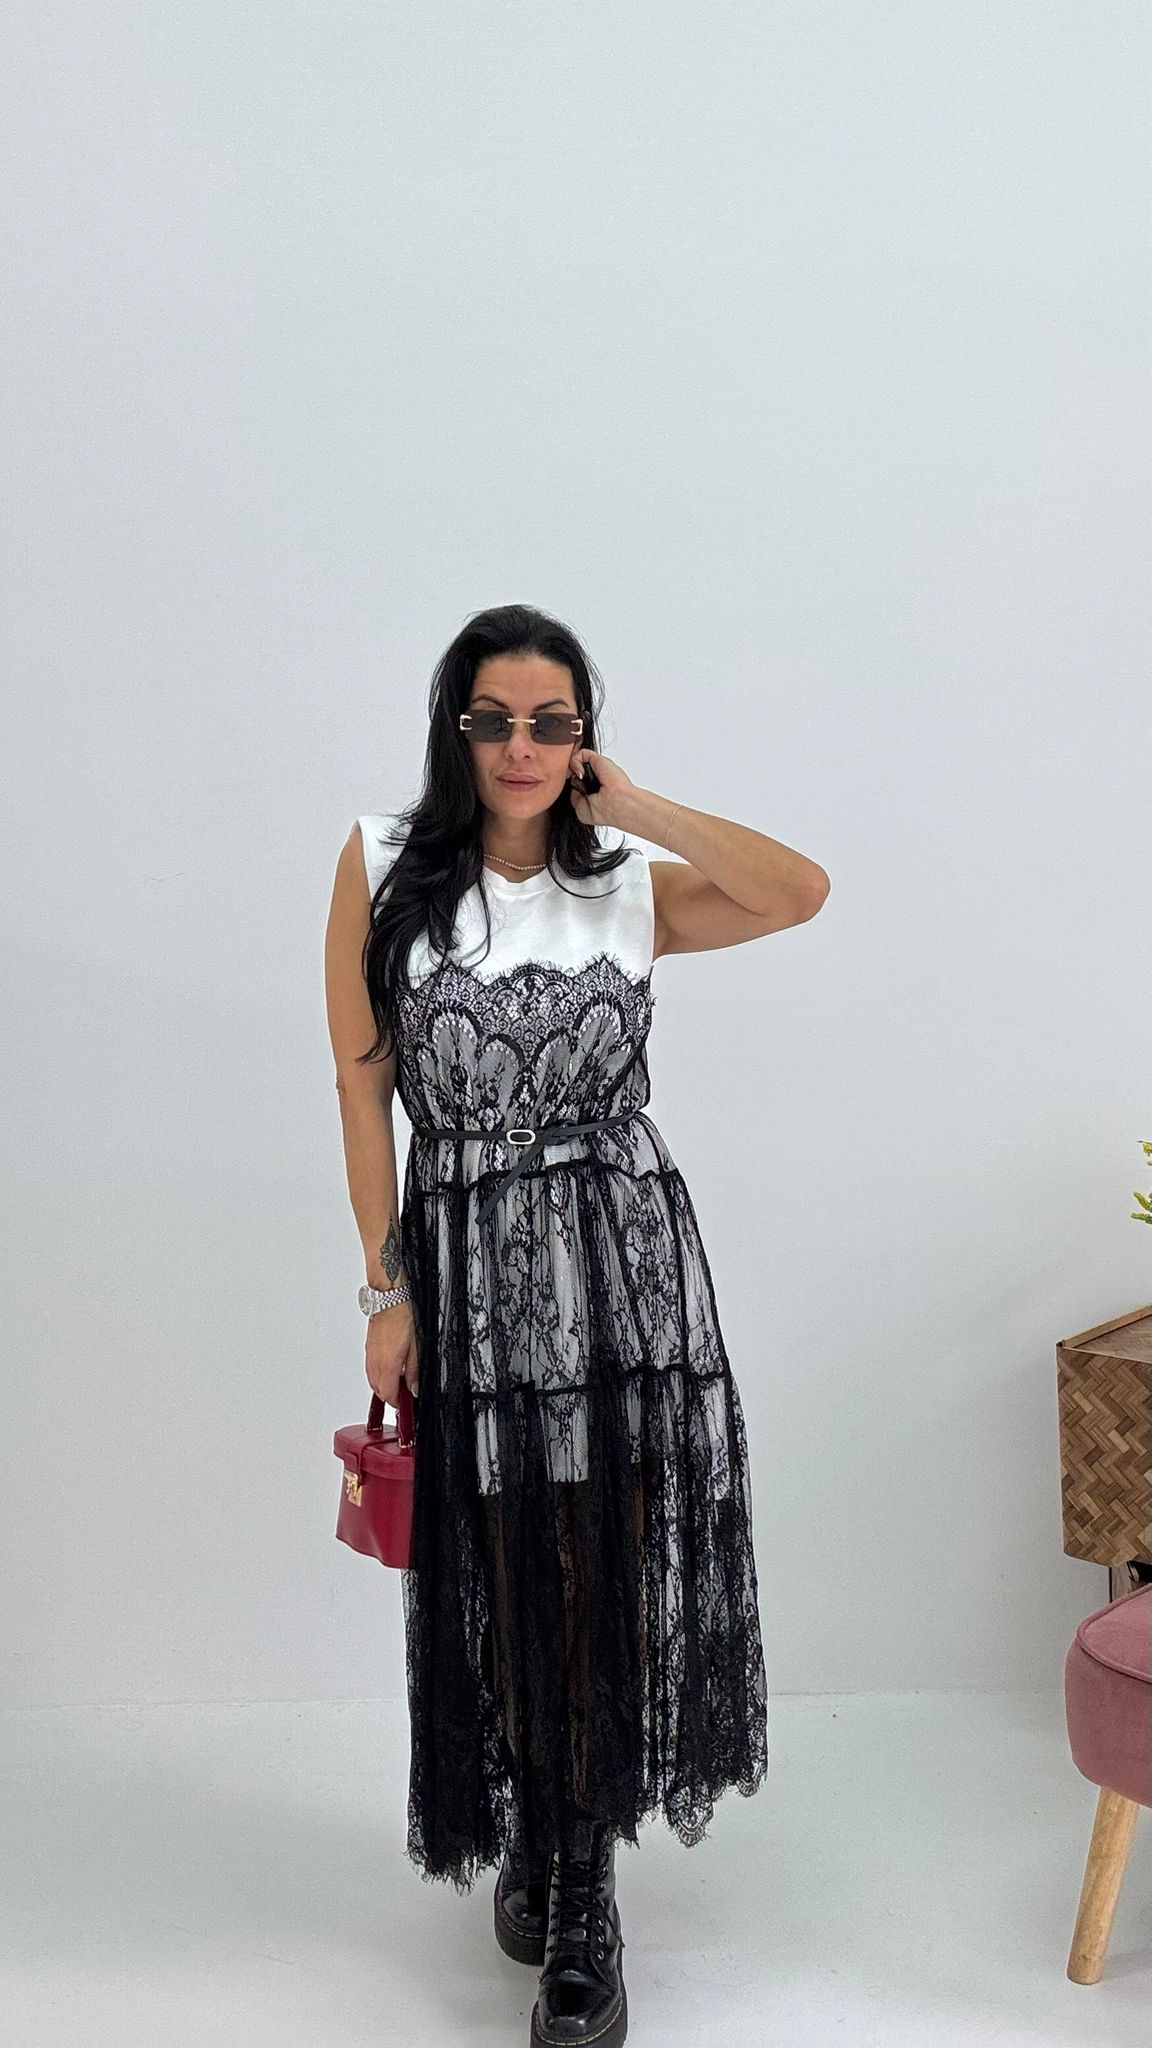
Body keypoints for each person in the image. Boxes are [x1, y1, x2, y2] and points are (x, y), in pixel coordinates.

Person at [324, 603, 829, 2047]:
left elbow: (799, 892)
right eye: (495, 719)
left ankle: (584, 1898)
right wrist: (387, 1289)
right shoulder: (380, 863)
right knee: (502, 1567)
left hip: (618, 1265)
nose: (522, 747)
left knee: (588, 1560)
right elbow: (363, 1086)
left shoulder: (626, 888)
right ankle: (541, 1837)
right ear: (455, 727)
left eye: (552, 722)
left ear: (583, 736)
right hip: (469, 1271)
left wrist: (639, 805)